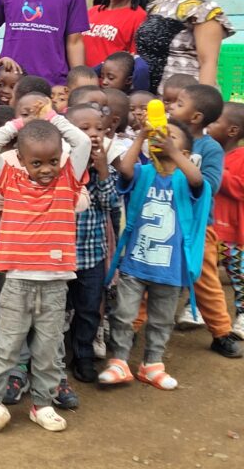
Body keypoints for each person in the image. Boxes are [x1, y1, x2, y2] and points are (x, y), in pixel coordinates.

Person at [0, 100, 91, 432]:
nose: (46, 169)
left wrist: (53, 118)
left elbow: (81, 142)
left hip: (55, 283)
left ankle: (42, 404)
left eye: (53, 161)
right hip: (17, 282)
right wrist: (20, 123)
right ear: (21, 160)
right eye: (37, 162)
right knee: (6, 344)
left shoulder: (68, 180)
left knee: (48, 348)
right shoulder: (9, 178)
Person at [99, 120, 210, 390]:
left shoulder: (187, 180)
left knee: (161, 319)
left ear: (185, 154)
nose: (163, 138)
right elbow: (124, 171)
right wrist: (141, 138)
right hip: (135, 262)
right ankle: (119, 361)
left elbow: (198, 180)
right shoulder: (143, 172)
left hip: (171, 268)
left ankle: (152, 363)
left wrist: (172, 152)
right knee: (123, 315)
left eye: (171, 137)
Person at [168, 85, 242, 357]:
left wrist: (175, 156)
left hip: (199, 227)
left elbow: (210, 185)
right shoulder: (165, 136)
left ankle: (221, 332)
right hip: (165, 222)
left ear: (195, 117)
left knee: (206, 280)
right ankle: (130, 330)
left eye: (178, 104)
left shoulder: (209, 148)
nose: (170, 107)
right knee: (150, 279)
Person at [65, 104, 119, 383]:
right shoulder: (59, 165)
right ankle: (58, 354)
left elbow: (110, 203)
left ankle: (84, 356)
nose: (93, 134)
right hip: (59, 255)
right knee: (58, 309)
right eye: (84, 129)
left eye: (99, 128)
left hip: (91, 254)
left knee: (88, 309)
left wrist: (102, 170)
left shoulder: (103, 167)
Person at [207, 102, 244, 339]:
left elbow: (241, 187)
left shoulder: (240, 157)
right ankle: (196, 309)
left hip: (232, 231)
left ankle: (243, 314)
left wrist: (216, 171)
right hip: (209, 227)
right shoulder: (210, 151)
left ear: (232, 130)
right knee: (205, 271)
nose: (209, 126)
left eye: (215, 122)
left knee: (238, 273)